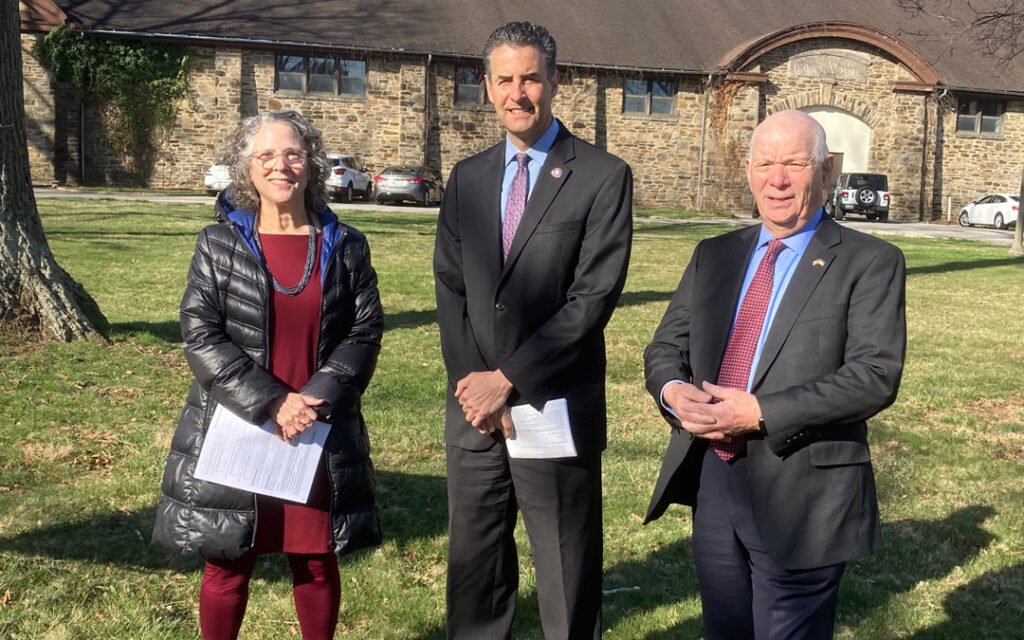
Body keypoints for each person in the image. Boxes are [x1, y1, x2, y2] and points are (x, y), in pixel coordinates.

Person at [643, 109, 906, 639]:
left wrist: (760, 412)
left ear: (827, 171)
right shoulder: (714, 255)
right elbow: (666, 347)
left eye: (794, 164)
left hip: (804, 490)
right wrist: (675, 393)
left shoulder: (870, 261)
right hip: (715, 477)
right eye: (765, 164)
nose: (777, 179)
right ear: (748, 171)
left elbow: (874, 374)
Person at [433, 21, 633, 640]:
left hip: (551, 402)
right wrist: (476, 386)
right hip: (474, 413)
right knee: (476, 566)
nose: (517, 93)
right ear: (487, 87)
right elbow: (451, 288)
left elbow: (591, 298)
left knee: (565, 567)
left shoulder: (601, 176)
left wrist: (509, 380)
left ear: (553, 82)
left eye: (530, 78)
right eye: (504, 80)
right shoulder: (467, 178)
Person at [152, 109, 384, 640]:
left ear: (312, 165)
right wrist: (273, 402)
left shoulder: (347, 246)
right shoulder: (218, 244)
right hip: (240, 422)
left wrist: (316, 399)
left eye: (294, 154)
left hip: (317, 425)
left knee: (317, 559)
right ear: (247, 169)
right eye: (266, 155)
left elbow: (365, 331)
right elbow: (201, 334)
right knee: (228, 561)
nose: (281, 166)